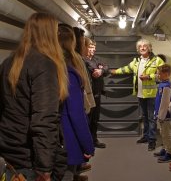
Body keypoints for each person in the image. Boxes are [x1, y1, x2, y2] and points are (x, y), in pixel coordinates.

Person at [0, 12, 68, 181]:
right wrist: (44, 168)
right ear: (50, 33)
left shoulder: (9, 62)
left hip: (9, 152)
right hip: (31, 159)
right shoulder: (45, 64)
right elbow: (44, 120)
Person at [111, 39, 164, 151]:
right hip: (140, 94)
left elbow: (164, 74)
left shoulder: (157, 60)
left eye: (145, 46)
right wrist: (114, 72)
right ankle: (145, 136)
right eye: (140, 46)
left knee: (151, 118)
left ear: (149, 48)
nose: (143, 48)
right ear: (138, 49)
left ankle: (152, 141)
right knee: (144, 117)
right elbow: (126, 69)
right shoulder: (136, 61)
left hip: (152, 95)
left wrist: (149, 76)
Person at [58, 25, 94, 181]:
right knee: (66, 173)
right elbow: (75, 113)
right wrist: (87, 144)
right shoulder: (69, 71)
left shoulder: (51, 65)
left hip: (52, 137)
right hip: (67, 136)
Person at [83, 38, 109, 149]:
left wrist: (101, 71)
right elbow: (91, 69)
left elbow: (106, 67)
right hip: (87, 95)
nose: (93, 50)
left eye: (94, 47)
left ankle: (94, 139)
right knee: (87, 119)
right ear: (84, 47)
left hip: (97, 94)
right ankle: (86, 142)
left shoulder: (96, 59)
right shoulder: (82, 60)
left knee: (95, 119)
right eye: (90, 47)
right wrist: (97, 69)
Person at [153, 64, 171, 163]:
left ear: (166, 74)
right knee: (162, 133)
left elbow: (165, 103)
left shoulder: (166, 86)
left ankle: (169, 153)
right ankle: (165, 148)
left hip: (165, 116)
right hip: (161, 115)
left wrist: (161, 116)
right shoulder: (162, 84)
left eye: (159, 73)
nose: (157, 75)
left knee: (166, 134)